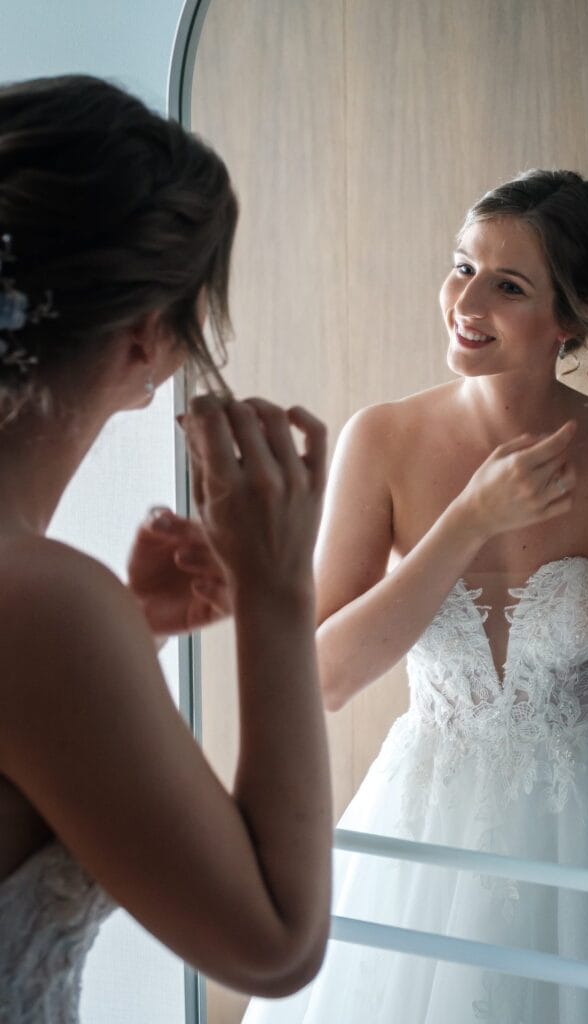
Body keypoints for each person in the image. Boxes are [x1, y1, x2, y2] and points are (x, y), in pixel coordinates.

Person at [243, 170, 588, 1023]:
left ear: (565, 319)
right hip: (424, 817)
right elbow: (318, 680)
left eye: (507, 286)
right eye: (462, 266)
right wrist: (465, 522)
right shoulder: (382, 438)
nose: (466, 301)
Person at [0, 74, 333, 1022]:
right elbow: (274, 944)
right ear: (149, 337)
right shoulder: (44, 609)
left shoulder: (45, 615)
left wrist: (132, 625)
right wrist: (276, 593)